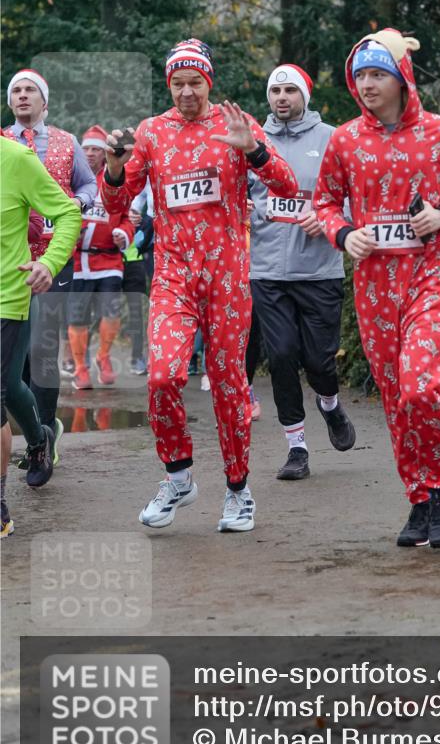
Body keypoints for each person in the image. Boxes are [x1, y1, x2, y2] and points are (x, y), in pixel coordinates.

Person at [101, 38, 297, 533]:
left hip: (227, 277)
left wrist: (251, 151)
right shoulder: (152, 132)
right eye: (178, 82)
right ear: (169, 84)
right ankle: (179, 476)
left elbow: (288, 184)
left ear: (209, 81)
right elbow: (117, 202)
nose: (187, 91)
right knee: (164, 376)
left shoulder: (236, 123)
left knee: (229, 383)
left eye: (196, 82)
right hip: (172, 275)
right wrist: (114, 167)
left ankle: (238, 491)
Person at [313, 29, 440, 548]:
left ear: (400, 78)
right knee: (394, 395)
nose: (366, 84)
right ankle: (418, 498)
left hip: (431, 275)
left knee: (419, 386)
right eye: (360, 75)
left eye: (377, 74)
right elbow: (323, 203)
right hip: (374, 287)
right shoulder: (344, 140)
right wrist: (345, 234)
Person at [249, 64, 356, 480]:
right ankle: (297, 447)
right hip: (269, 271)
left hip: (320, 270)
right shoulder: (253, 140)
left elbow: (353, 196)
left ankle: (329, 405)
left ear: (304, 97)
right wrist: (253, 209)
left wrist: (330, 219)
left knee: (319, 362)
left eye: (290, 90)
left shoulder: (332, 138)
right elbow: (237, 195)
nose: (281, 98)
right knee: (280, 357)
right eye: (275, 90)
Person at [3, 69, 96, 468]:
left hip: (52, 257)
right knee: (16, 364)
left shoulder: (65, 142)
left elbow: (89, 185)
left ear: (44, 100)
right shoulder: (5, 143)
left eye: (30, 91)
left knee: (41, 351)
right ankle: (41, 430)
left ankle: (42, 438)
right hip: (13, 258)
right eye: (16, 91)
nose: (23, 96)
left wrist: (77, 202)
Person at [1, 135, 82, 526]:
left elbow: (68, 213)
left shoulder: (17, 159)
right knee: (11, 386)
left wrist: (49, 263)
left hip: (6, 296)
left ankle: (0, 509)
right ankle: (39, 438)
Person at [67, 126, 135, 389]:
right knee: (78, 316)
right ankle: (81, 369)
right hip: (78, 262)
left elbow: (129, 216)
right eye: (87, 149)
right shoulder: (71, 180)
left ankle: (103, 356)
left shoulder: (115, 177)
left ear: (105, 153)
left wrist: (124, 233)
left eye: (97, 149)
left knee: (112, 311)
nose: (91, 153)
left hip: (109, 261)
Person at [122, 182, 154, 375]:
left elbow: (139, 198)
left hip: (137, 255)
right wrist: (132, 210)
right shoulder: (96, 182)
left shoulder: (147, 168)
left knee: (138, 309)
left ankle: (139, 357)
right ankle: (84, 360)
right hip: (104, 258)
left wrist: (134, 213)